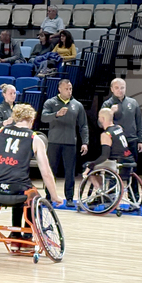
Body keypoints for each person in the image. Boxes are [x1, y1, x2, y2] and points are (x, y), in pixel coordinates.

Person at [0, 103, 62, 239]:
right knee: (32, 195)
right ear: (31, 119)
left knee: (21, 193)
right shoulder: (34, 138)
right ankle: (27, 233)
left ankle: (14, 233)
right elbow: (46, 173)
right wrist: (54, 196)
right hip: (18, 186)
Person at [41, 79, 89, 207]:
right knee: (51, 170)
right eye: (66, 89)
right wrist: (56, 114)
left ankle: (69, 198)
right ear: (59, 89)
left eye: (70, 89)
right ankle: (49, 195)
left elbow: (83, 125)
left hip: (70, 142)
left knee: (70, 171)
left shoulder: (77, 105)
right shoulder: (50, 102)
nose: (69, 91)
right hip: (54, 141)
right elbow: (43, 117)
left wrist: (85, 142)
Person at [81, 107, 133, 195]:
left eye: (99, 117)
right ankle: (101, 191)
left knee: (88, 166)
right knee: (97, 167)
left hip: (116, 163)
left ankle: (99, 191)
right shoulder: (119, 128)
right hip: (129, 161)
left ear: (102, 119)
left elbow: (104, 156)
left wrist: (90, 166)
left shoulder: (106, 134)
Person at [101, 78, 142, 159]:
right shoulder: (107, 104)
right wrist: (110, 112)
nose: (120, 90)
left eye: (122, 87)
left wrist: (141, 140)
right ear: (112, 89)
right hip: (115, 141)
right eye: (117, 88)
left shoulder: (133, 102)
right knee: (116, 168)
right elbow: (100, 124)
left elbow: (139, 122)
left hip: (132, 139)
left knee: (132, 167)